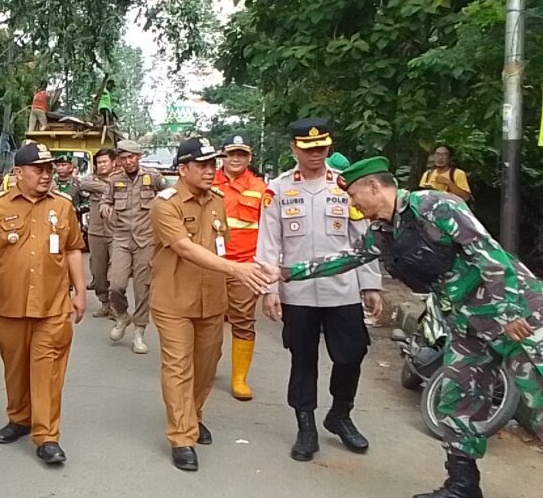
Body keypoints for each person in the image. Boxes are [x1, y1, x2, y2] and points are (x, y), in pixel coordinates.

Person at [280, 156, 542, 498]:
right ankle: (462, 486)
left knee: (538, 399)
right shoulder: (383, 233)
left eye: (355, 195)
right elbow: (347, 258)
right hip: (466, 322)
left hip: (516, 313)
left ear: (375, 186)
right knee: (457, 397)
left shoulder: (434, 206)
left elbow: (488, 254)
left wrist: (509, 312)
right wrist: (288, 272)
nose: (352, 203)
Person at [255, 118, 385, 462]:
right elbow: (268, 244)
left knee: (351, 353)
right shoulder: (278, 190)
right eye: (308, 149)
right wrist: (269, 290)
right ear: (294, 149)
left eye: (322, 148)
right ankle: (306, 424)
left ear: (330, 146)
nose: (316, 155)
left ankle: (340, 413)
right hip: (297, 294)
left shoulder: (344, 187)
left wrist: (371, 283)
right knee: (303, 359)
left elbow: (364, 239)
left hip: (341, 290)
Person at [151, 137, 277, 471]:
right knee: (179, 366)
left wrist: (246, 272)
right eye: (203, 165)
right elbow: (186, 248)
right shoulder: (166, 204)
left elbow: (222, 246)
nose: (211, 171)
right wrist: (237, 269)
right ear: (182, 169)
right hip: (174, 298)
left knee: (206, 366)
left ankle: (192, 415)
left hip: (212, 298)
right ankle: (181, 436)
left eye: (212, 164)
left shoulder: (217, 201)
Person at [0, 142, 87, 466]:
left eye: (49, 169)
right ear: (18, 173)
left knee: (47, 370)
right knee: (16, 368)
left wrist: (80, 290)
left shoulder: (64, 206)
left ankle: (47, 436)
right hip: (11, 304)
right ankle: (19, 418)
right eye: (39, 169)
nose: (46, 175)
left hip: (53, 306)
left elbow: (73, 249)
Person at [212, 134, 269, 401]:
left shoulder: (261, 188)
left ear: (249, 158)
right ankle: (206, 367)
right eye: (231, 154)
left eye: (241, 154)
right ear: (222, 156)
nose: (235, 159)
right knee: (207, 320)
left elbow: (270, 230)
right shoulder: (207, 182)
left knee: (244, 321)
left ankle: (239, 379)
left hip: (245, 266)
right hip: (210, 264)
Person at [100, 139, 168, 354]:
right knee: (115, 284)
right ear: (118, 160)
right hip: (121, 238)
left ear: (139, 157)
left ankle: (139, 332)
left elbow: (170, 196)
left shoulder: (153, 177)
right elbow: (105, 200)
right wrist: (104, 208)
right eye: (123, 158)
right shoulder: (114, 180)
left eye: (132, 157)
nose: (128, 161)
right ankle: (122, 316)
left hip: (146, 239)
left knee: (142, 288)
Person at [80, 148, 117, 319]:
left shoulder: (121, 179)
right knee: (98, 271)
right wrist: (110, 189)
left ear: (113, 162)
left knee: (116, 273)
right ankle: (105, 303)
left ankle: (117, 307)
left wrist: (108, 188)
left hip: (116, 232)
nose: (101, 165)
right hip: (95, 231)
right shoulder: (90, 179)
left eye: (105, 162)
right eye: (99, 162)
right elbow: (84, 183)